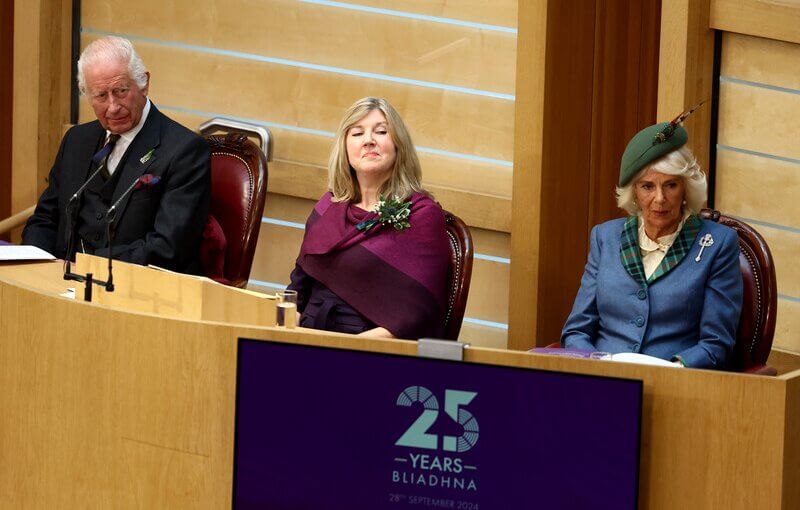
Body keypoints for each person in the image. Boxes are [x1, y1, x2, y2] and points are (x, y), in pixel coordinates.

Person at [560, 118, 743, 369]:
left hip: (676, 386)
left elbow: (716, 344)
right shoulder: (605, 238)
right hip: (602, 381)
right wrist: (596, 368)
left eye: (670, 185)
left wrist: (673, 371)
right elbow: (576, 331)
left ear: (686, 188)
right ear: (634, 191)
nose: (660, 198)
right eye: (648, 186)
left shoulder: (718, 244)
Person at [22, 36, 210, 274]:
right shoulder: (76, 141)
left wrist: (88, 267)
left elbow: (167, 248)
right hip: (61, 285)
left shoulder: (184, 151)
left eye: (121, 91)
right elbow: (44, 220)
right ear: (87, 96)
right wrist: (36, 270)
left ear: (144, 83)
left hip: (133, 291)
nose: (112, 106)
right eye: (101, 96)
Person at [288, 97, 450, 339]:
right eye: (357, 133)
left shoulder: (423, 215)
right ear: (344, 148)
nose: (368, 141)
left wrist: (342, 351)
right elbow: (297, 291)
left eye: (381, 131)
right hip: (307, 340)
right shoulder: (327, 207)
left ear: (398, 145)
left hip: (368, 350)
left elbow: (417, 317)